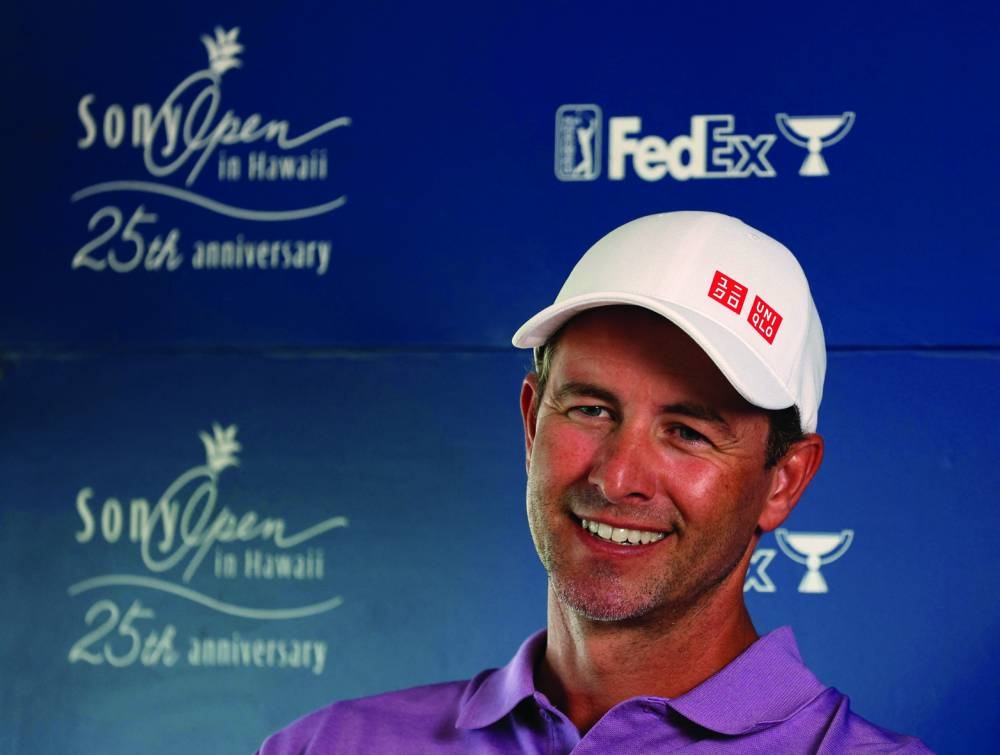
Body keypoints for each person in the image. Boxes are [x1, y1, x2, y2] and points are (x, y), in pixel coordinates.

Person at [257, 211, 931, 753]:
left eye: (688, 431)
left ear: (783, 481)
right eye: (590, 408)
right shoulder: (328, 743)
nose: (617, 476)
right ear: (531, 423)